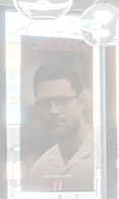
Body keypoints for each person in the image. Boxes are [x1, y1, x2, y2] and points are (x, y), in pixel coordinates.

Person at [24, 61, 93, 192]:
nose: (53, 111)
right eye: (45, 103)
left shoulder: (102, 155)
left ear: (81, 102)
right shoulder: (39, 169)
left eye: (62, 101)